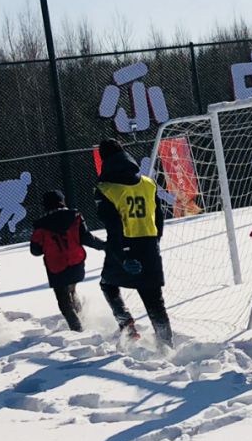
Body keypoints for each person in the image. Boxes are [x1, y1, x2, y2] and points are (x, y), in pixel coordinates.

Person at [95, 139, 173, 348]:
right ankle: (166, 345)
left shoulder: (105, 189)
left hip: (124, 244)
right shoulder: (148, 183)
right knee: (154, 300)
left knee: (107, 284)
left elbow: (113, 227)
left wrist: (123, 256)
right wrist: (155, 240)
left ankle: (126, 324)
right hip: (148, 245)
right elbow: (159, 216)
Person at [30, 190, 106, 332]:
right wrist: (105, 246)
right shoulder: (75, 216)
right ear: (62, 201)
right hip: (76, 264)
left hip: (56, 268)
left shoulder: (40, 225)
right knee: (72, 289)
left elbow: (35, 251)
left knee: (64, 302)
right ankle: (84, 320)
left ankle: (78, 330)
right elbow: (87, 238)